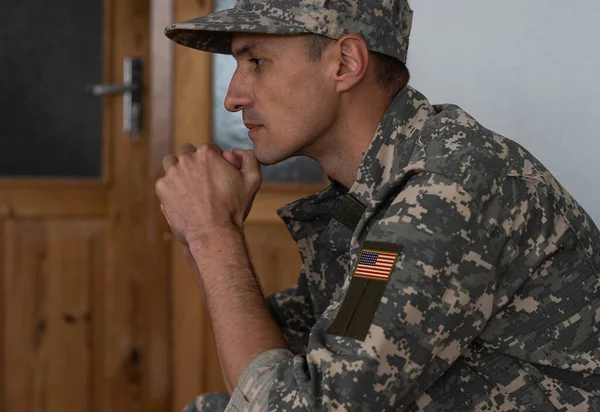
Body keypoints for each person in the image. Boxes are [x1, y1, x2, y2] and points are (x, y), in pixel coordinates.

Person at [156, 0, 600, 410]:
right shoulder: (377, 189)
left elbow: (300, 402)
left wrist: (212, 234)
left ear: (346, 63)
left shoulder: (445, 190)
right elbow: (288, 355)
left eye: (257, 61)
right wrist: (205, 232)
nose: (233, 97)